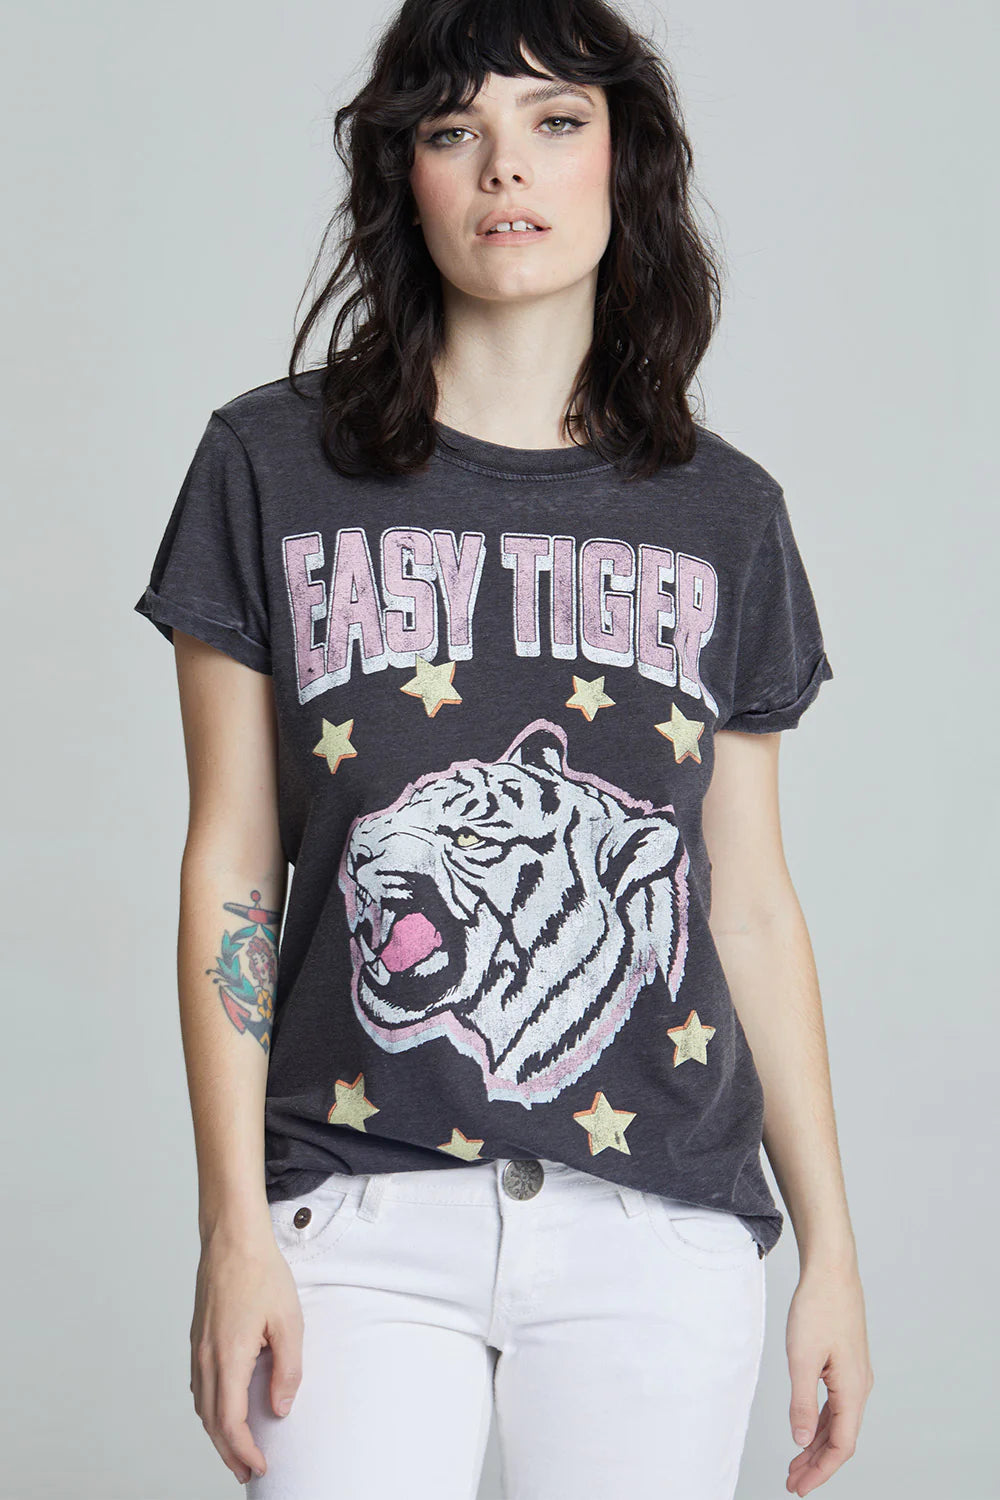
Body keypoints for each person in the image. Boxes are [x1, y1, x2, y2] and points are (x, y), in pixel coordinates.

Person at [133, 1, 874, 1496]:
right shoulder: (267, 466)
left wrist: (833, 1257)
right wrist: (231, 1226)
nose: (504, 169)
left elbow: (744, 901)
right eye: (453, 129)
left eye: (555, 122)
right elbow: (233, 866)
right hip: (354, 1208)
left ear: (623, 162)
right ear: (404, 174)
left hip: (653, 1223)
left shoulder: (724, 513)